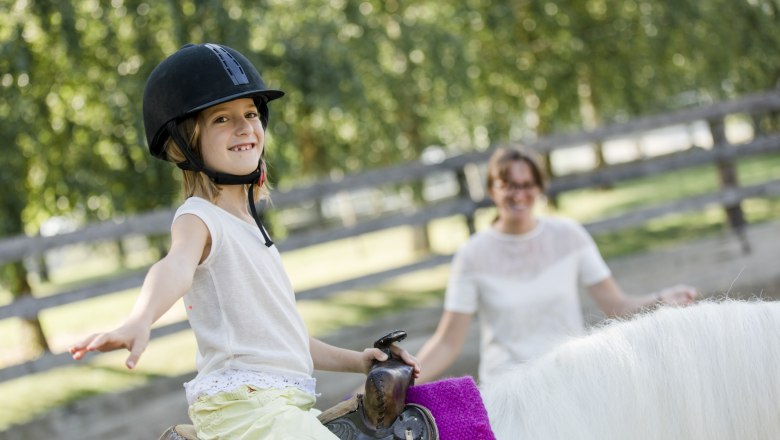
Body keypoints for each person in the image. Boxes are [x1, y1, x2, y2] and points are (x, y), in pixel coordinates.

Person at [69, 43, 419, 439]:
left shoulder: (250, 228)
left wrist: (360, 361)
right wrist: (140, 318)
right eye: (222, 118)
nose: (244, 126)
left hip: (278, 406)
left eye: (251, 113)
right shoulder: (199, 218)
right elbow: (175, 266)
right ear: (183, 142)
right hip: (245, 407)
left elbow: (288, 341)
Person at [415, 146, 697, 385]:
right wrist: (401, 381)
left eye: (527, 185)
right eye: (508, 185)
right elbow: (447, 343)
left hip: (569, 380)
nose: (518, 194)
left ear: (539, 188)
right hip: (508, 389)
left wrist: (661, 300)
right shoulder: (472, 254)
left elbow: (616, 306)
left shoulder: (569, 237)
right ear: (492, 189)